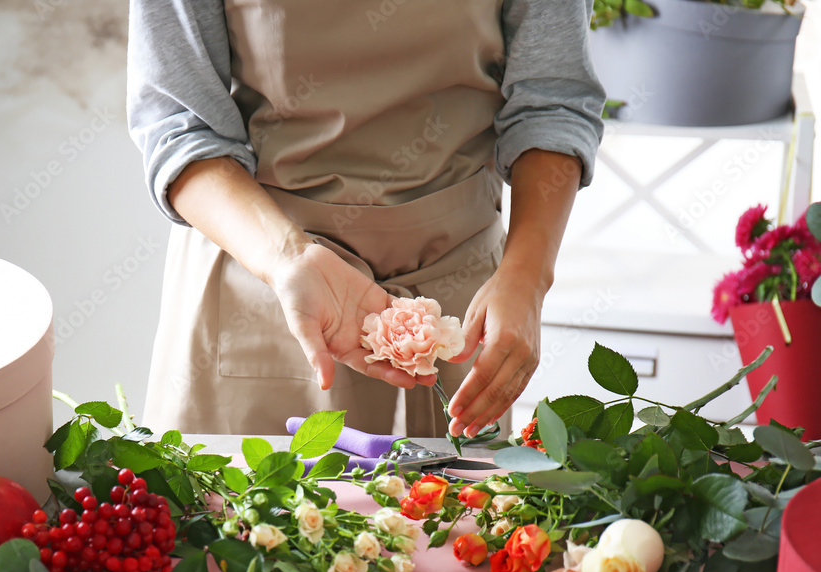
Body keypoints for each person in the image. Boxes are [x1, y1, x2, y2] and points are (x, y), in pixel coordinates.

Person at [127, 0, 604, 438]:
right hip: (260, 276)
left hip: (461, 298)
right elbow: (181, 126)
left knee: (456, 524)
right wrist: (288, 258)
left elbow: (552, 104)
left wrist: (528, 275)